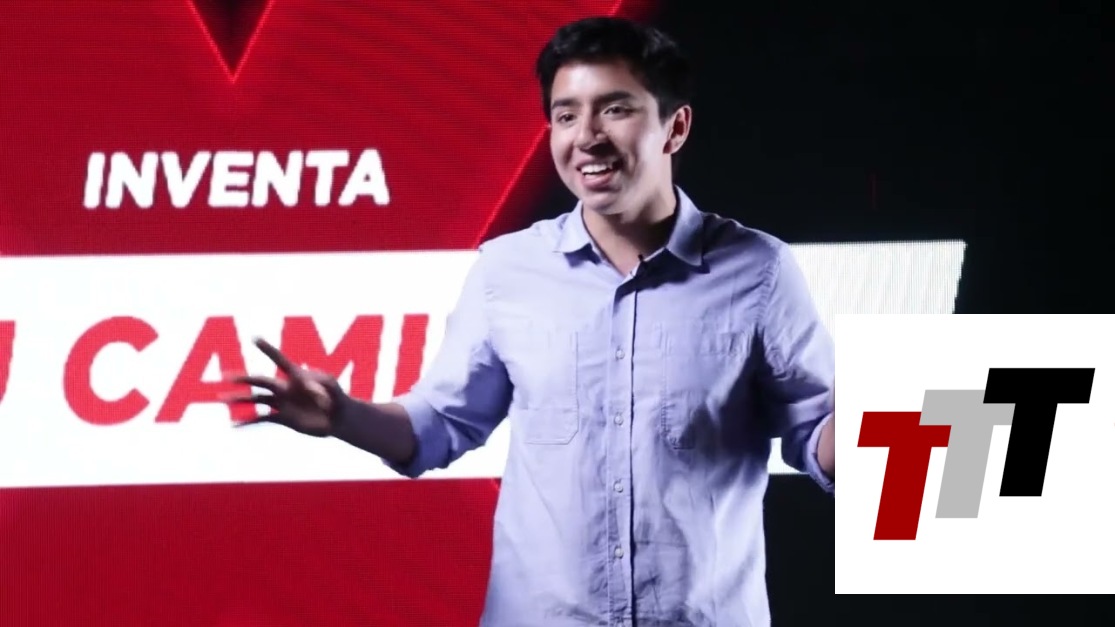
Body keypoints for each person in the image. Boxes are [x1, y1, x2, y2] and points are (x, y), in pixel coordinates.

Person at [225, 16, 835, 627]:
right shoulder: (506, 270)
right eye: (566, 115)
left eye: (615, 109)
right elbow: (438, 424)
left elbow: (819, 435)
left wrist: (879, 419)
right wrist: (343, 416)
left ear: (675, 128)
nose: (587, 136)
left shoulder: (759, 270)